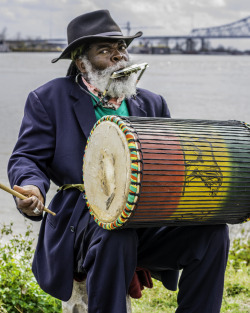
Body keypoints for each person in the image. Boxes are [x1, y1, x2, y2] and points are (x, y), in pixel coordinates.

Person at [8, 9, 229, 313]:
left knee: (212, 232)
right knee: (116, 233)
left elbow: (174, 162)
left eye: (121, 48)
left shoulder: (152, 102)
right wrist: (30, 187)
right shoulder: (48, 99)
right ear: (80, 61)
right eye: (105, 50)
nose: (119, 57)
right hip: (81, 220)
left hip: (144, 218)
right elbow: (27, 157)